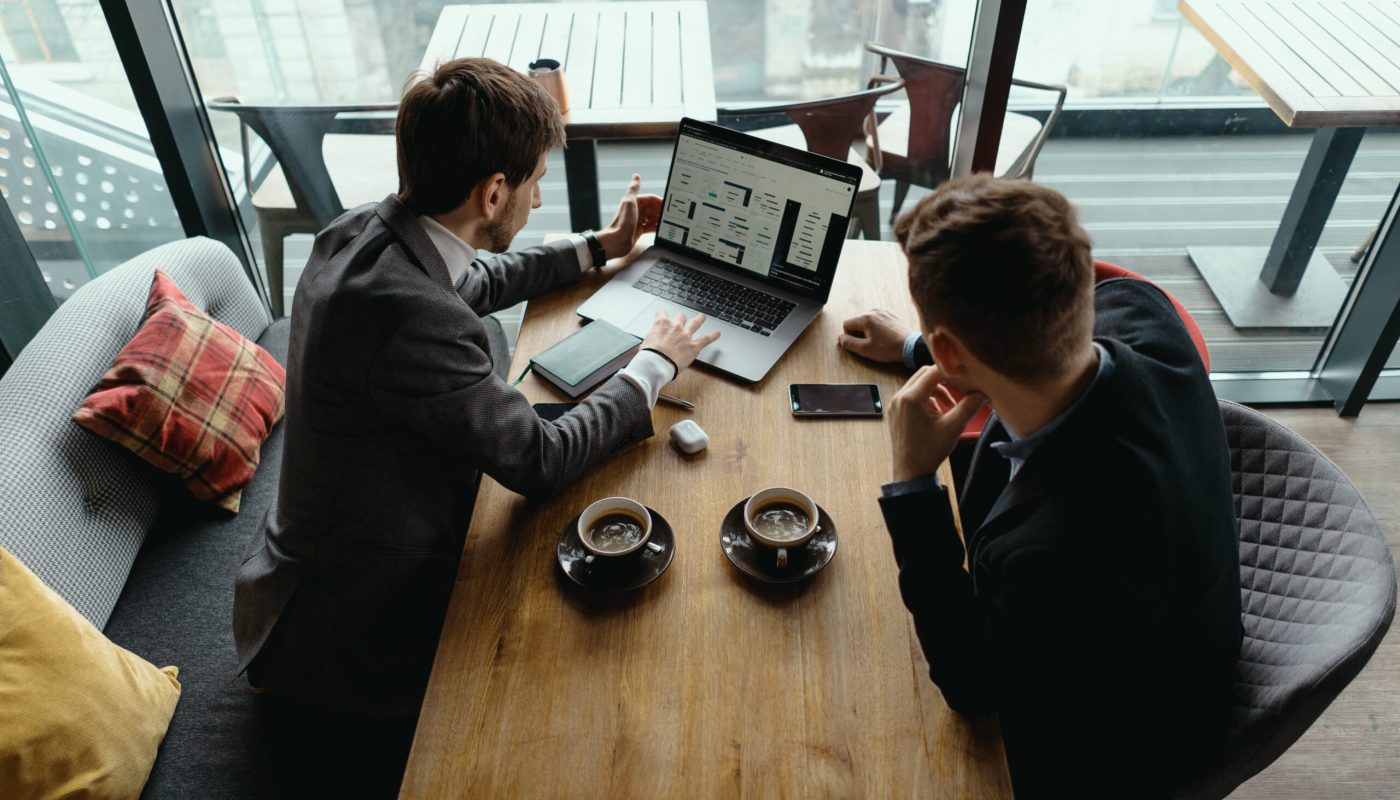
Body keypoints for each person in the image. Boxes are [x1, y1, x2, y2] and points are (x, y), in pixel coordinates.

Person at [233, 57, 719, 723]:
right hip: (346, 624)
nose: (540, 199)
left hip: (318, 566)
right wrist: (654, 364)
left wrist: (601, 245)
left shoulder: (364, 233)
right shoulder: (409, 319)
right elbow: (538, 461)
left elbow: (475, 282)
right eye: (536, 183)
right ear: (493, 194)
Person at [841, 175, 1241, 797]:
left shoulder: (1054, 557)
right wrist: (921, 347)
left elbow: (971, 686)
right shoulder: (1145, 312)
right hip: (1166, 591)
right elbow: (1034, 347)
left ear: (955, 353)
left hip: (1120, 734)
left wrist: (914, 482)